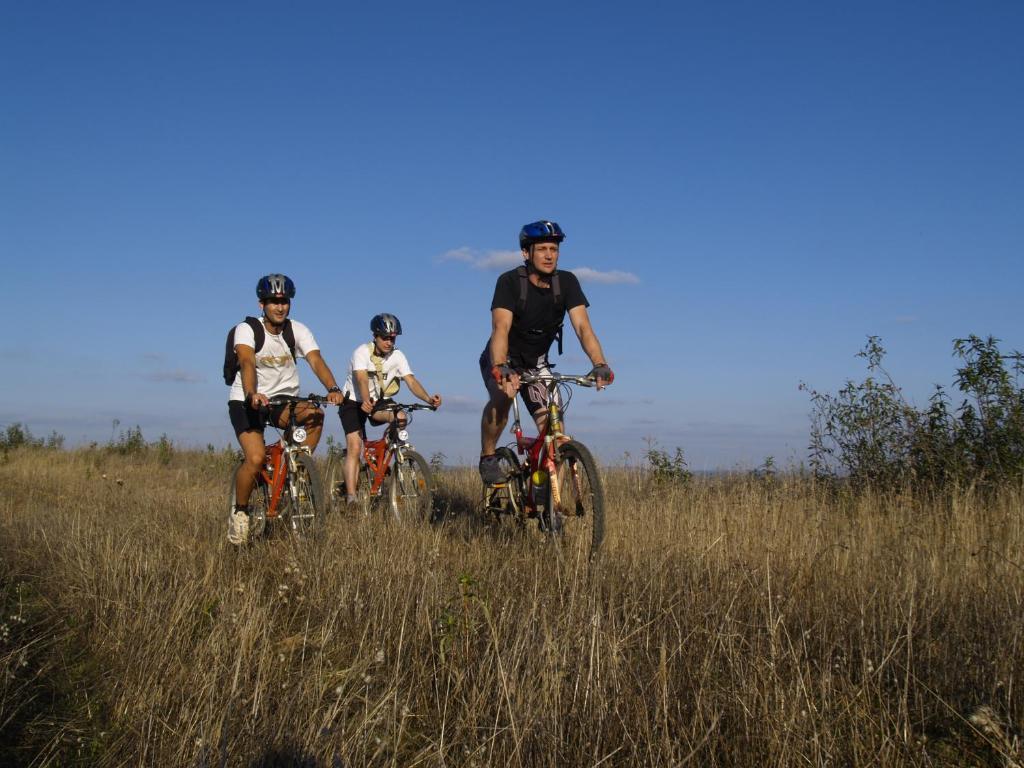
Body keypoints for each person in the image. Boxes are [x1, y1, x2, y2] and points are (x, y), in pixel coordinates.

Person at [479, 220, 614, 484]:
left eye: (554, 248)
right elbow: (500, 328)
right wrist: (501, 367)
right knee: (502, 401)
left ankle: (553, 510)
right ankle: (488, 457)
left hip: (537, 364)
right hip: (503, 359)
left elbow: (583, 327)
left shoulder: (567, 282)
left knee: (555, 433)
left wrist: (600, 363)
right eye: (542, 249)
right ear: (526, 253)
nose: (549, 255)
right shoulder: (509, 282)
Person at [227, 274, 344, 544]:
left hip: (284, 400)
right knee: (255, 459)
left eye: (284, 301)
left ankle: (296, 466)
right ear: (261, 304)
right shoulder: (247, 329)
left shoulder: (298, 330)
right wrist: (251, 393)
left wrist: (333, 388)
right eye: (273, 302)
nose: (280, 307)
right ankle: (240, 514)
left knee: (315, 414)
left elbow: (315, 360)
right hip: (248, 398)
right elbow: (246, 361)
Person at [338, 313, 442, 505]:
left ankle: (383, 456)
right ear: (375, 336)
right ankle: (351, 498)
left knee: (401, 417)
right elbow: (361, 378)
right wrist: (365, 400)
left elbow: (410, 380)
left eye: (392, 338)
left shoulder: (398, 356)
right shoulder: (361, 352)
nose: (388, 342)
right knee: (355, 445)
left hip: (378, 400)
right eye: (384, 338)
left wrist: (428, 398)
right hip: (353, 401)